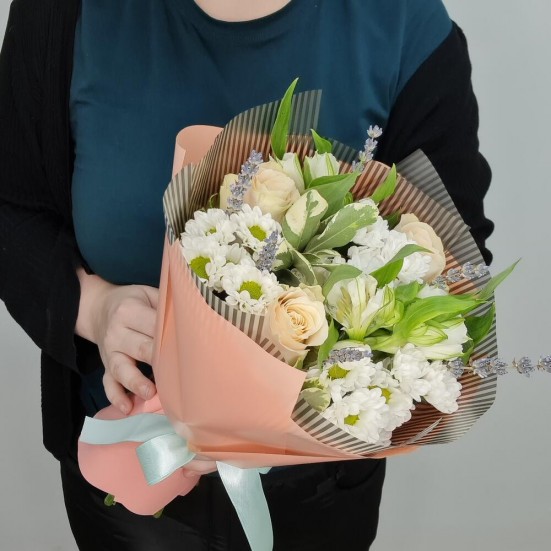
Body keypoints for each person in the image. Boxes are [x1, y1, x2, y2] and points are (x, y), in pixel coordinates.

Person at [0, 0, 494, 549]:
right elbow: (11, 207)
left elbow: (451, 261)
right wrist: (93, 308)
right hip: (129, 466)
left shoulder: (400, 23)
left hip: (320, 494)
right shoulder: (62, 13)